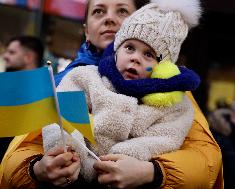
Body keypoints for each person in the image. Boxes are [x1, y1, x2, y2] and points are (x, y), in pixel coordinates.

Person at [0, 0, 223, 188]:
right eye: (99, 11)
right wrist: (37, 169)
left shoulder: (172, 95)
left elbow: (206, 162)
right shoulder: (62, 82)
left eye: (122, 10)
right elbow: (12, 162)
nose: (109, 18)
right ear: (87, 29)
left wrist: (152, 172)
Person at [42, 1, 201, 182]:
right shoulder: (84, 77)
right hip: (74, 174)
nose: (135, 58)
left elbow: (166, 138)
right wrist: (67, 151)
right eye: (129, 48)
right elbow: (61, 116)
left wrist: (136, 161)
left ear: (163, 68)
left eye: (148, 54)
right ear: (116, 50)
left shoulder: (173, 103)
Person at [0, 36, 44, 163]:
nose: (5, 56)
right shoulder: (7, 84)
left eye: (12, 52)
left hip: (17, 166)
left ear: (28, 57)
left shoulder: (42, 93)